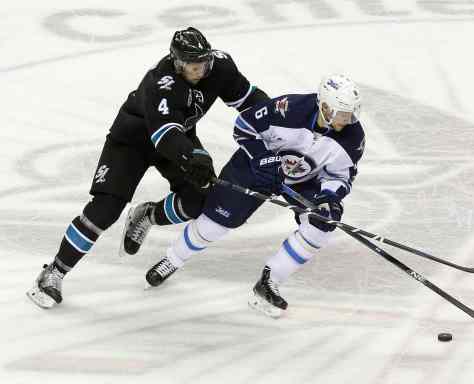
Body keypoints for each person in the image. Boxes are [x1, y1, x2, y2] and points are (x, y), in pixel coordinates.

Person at [26, 27, 270, 309]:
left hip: (178, 135)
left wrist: (281, 124)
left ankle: (147, 215)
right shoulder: (161, 82)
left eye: (204, 63)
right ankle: (53, 273)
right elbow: (164, 135)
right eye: (193, 66)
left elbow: (251, 100)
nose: (201, 70)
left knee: (199, 200)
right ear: (177, 63)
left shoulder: (220, 66)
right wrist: (192, 157)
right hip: (133, 142)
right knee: (105, 209)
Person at [142, 74, 365, 318]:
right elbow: (244, 126)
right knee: (216, 222)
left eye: (351, 114)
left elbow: (340, 177)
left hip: (304, 179)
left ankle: (270, 281)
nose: (347, 120)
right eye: (342, 113)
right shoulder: (289, 109)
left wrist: (328, 199)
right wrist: (263, 159)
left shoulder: (353, 137)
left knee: (320, 227)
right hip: (255, 166)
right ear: (324, 105)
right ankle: (173, 260)